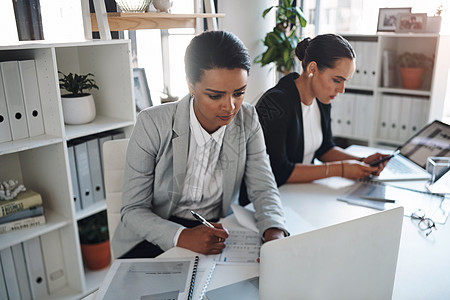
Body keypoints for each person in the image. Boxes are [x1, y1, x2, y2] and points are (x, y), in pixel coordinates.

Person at [112, 30, 288, 259]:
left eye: (239, 93)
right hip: (156, 230)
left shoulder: (248, 119)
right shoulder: (152, 123)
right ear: (191, 86)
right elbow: (133, 210)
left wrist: (274, 233)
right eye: (215, 96)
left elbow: (263, 187)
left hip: (215, 230)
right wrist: (182, 236)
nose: (230, 106)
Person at [254, 34, 391, 186]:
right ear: (312, 69)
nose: (341, 89)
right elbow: (279, 171)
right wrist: (342, 169)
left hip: (300, 192)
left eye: (345, 81)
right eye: (337, 80)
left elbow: (325, 149)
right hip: (271, 197)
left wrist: (362, 162)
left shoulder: (321, 100)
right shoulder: (276, 103)